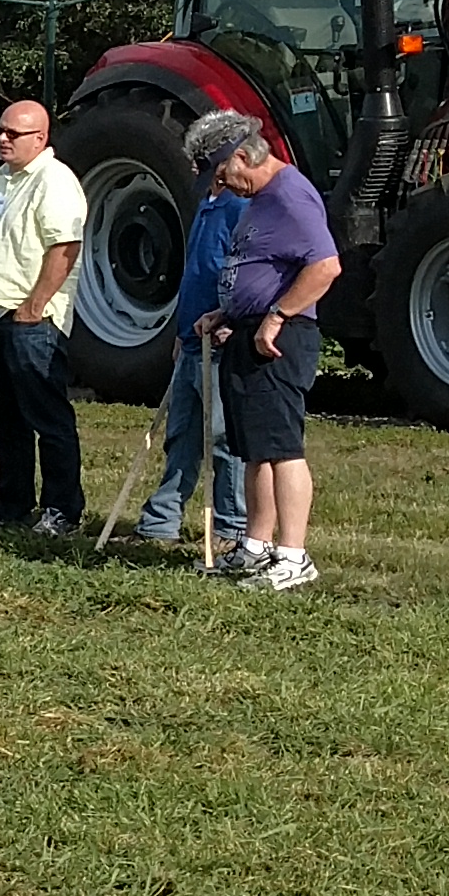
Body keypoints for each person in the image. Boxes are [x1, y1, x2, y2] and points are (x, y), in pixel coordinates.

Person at [198, 111, 338, 592]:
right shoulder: (258, 200)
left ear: (242, 156)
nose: (223, 186)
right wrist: (226, 312)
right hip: (246, 331)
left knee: (282, 448)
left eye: (223, 175)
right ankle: (256, 547)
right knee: (254, 449)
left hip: (279, 337)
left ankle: (294, 555)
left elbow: (325, 266)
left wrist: (276, 317)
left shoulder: (290, 194)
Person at [0, 96, 94, 538]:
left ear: (41, 137)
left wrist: (34, 307)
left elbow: (65, 247)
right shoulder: (2, 181)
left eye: (13, 133)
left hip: (32, 322)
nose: (2, 138)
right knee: (3, 422)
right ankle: (10, 506)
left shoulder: (54, 181)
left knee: (47, 418)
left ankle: (62, 511)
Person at [137, 119, 263, 563]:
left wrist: (235, 320)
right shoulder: (205, 202)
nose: (196, 168)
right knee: (181, 433)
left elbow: (242, 270)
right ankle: (161, 519)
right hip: (190, 339)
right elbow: (195, 270)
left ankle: (232, 526)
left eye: (203, 161)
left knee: (223, 438)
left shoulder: (238, 206)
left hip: (220, 339)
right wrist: (178, 332)